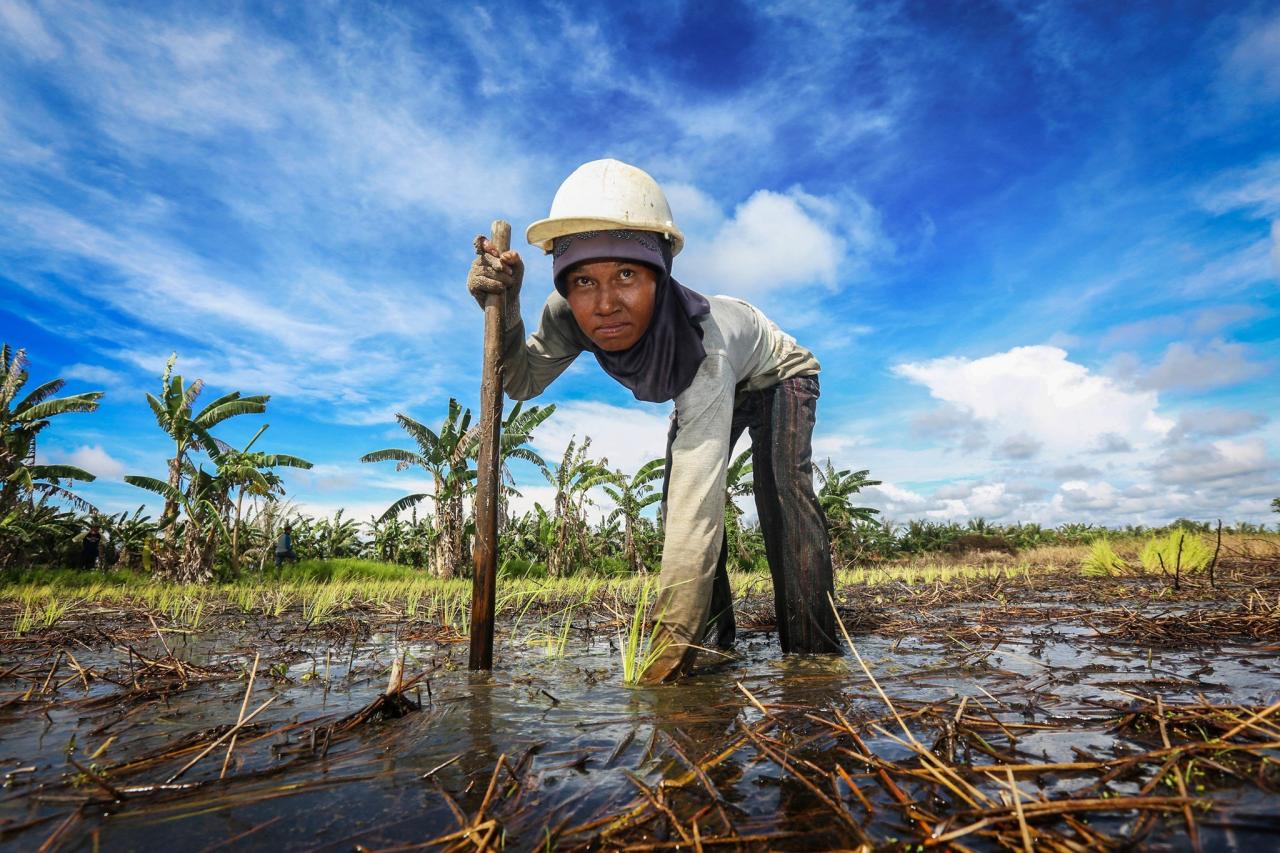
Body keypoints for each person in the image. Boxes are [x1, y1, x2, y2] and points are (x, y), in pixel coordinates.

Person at [468, 159, 841, 683]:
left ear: (660, 275)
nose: (605, 304)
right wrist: (504, 307)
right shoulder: (567, 316)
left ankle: (813, 660)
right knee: (672, 502)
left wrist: (660, 663)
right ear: (564, 285)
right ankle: (710, 650)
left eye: (626, 274)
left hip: (775, 373)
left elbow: (699, 513)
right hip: (712, 383)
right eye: (582, 281)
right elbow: (520, 381)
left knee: (780, 500)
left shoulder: (702, 348)